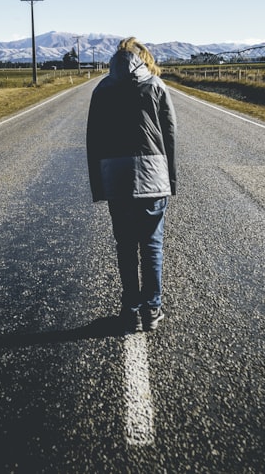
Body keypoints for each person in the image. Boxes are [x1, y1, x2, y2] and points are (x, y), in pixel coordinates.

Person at [86, 37, 177, 332]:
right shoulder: (155, 86)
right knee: (151, 245)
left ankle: (130, 311)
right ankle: (152, 310)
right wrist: (171, 180)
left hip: (117, 177)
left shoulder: (102, 89)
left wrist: (99, 185)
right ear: (144, 59)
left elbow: (94, 140)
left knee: (125, 245)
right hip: (153, 177)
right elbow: (170, 135)